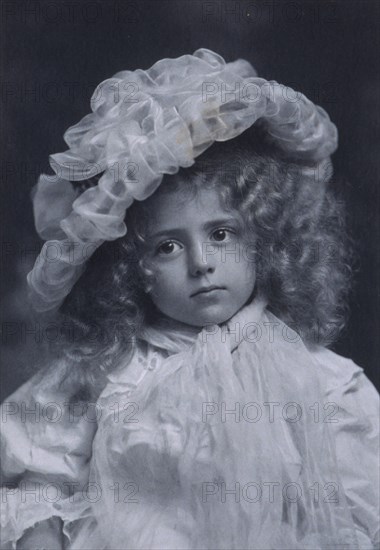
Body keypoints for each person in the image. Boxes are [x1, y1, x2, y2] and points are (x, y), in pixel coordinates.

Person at [1, 48, 379, 550]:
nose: (201, 263)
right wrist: (40, 533)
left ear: (264, 237)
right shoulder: (109, 371)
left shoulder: (321, 380)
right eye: (169, 246)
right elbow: (40, 478)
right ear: (131, 269)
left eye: (222, 234)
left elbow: (356, 507)